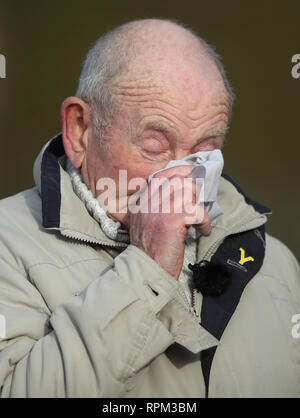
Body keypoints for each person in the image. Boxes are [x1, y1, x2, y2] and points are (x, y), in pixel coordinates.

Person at [0, 18, 299, 398]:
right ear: (79, 130)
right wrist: (146, 269)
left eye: (205, 150)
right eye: (155, 146)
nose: (182, 177)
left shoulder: (274, 262)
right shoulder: (7, 247)